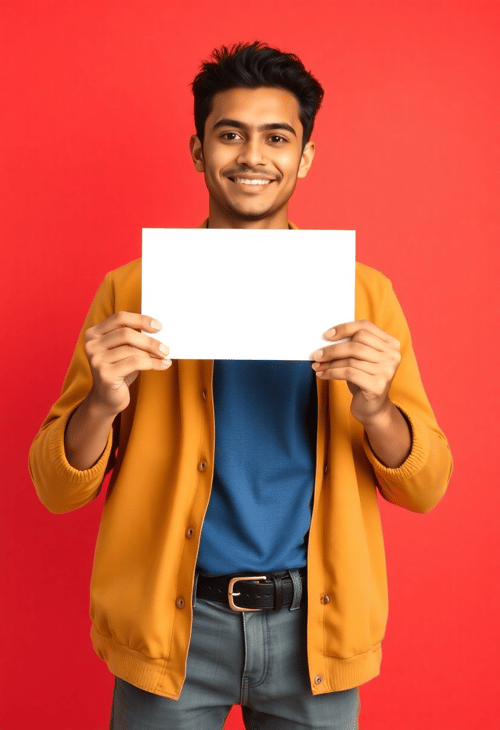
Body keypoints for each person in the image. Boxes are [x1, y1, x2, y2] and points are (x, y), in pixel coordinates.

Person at [29, 42, 453, 729]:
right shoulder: (130, 290)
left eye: (276, 137)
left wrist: (378, 410)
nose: (252, 155)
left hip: (312, 629)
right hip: (173, 629)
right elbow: (54, 486)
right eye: (230, 134)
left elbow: (426, 487)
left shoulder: (362, 295)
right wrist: (103, 403)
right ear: (199, 150)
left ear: (305, 157)